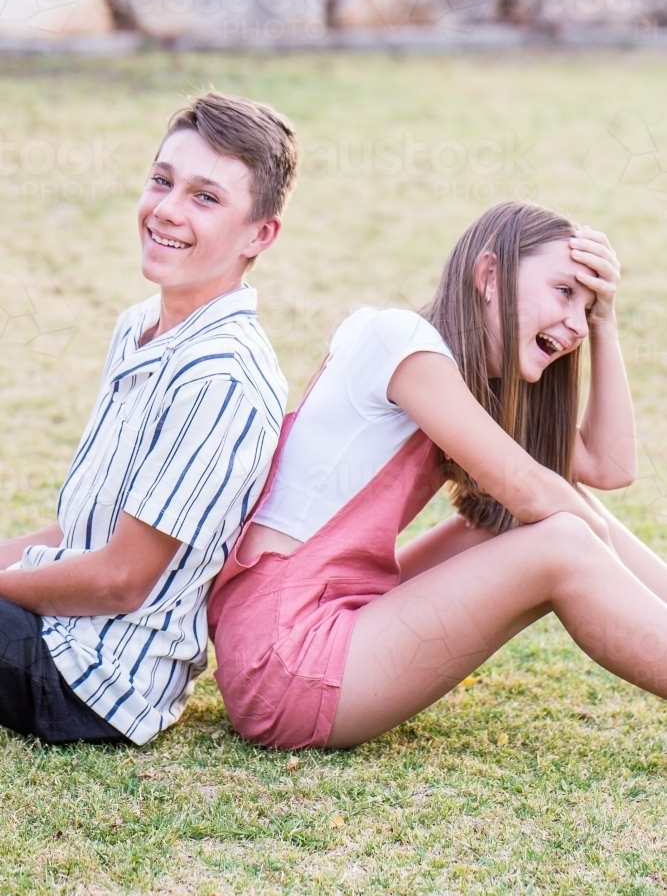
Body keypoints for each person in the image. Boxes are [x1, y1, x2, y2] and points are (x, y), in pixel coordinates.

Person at [207, 199, 667, 751]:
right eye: (564, 292)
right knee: (561, 538)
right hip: (285, 654)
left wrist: (606, 321)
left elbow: (608, 468)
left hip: (333, 615)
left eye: (585, 309)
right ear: (489, 276)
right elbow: (530, 493)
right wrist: (591, 558)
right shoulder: (400, 341)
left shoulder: (464, 377)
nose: (574, 323)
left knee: (550, 517)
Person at [0, 90, 297, 746]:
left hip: (92, 678)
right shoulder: (141, 326)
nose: (165, 210)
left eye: (205, 197)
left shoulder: (221, 376)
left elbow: (119, 580)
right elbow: (88, 527)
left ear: (260, 234)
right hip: (61, 629)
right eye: (162, 181)